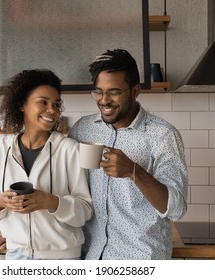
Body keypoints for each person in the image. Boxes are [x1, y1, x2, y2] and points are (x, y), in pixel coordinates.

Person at [68, 49, 188, 260]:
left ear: (135, 91)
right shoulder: (82, 129)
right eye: (98, 91)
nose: (104, 100)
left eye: (113, 92)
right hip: (91, 257)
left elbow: (176, 208)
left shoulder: (163, 135)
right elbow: (61, 185)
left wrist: (134, 172)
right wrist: (27, 234)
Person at [0, 69, 92, 260]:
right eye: (43, 102)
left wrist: (51, 202)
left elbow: (85, 211)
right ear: (22, 104)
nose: (52, 110)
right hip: (17, 256)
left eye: (56, 105)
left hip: (62, 258)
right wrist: (0, 201)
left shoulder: (69, 149)